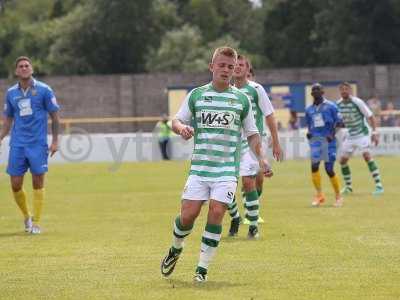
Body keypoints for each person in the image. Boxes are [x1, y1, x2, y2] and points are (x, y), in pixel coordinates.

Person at [160, 47, 272, 283]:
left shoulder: (241, 99)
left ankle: (202, 269)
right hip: (200, 169)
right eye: (221, 65)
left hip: (226, 170)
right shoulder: (197, 95)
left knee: (217, 212)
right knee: (188, 216)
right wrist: (182, 129)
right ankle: (175, 248)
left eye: (230, 67)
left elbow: (252, 134)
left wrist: (261, 158)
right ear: (212, 67)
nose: (226, 70)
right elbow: (176, 120)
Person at [0, 56, 60, 234]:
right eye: (21, 66)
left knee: (37, 181)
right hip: (18, 144)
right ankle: (27, 217)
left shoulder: (44, 90)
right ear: (17, 71)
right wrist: (2, 135)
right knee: (15, 184)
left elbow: (55, 116)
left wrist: (55, 141)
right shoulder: (11, 93)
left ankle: (37, 223)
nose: (24, 68)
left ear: (32, 69)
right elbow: (9, 118)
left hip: (38, 144)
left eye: (27, 65)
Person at [227, 54, 282, 238]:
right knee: (224, 183)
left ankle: (252, 226)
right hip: (231, 142)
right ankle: (235, 217)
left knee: (251, 181)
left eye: (242, 65)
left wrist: (276, 142)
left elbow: (269, 115)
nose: (238, 67)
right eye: (236, 64)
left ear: (248, 69)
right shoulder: (227, 90)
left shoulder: (256, 89)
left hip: (254, 140)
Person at [337, 82, 384, 195]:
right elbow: (339, 122)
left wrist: (375, 132)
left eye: (346, 89)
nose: (344, 91)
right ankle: (348, 187)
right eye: (342, 89)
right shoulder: (338, 104)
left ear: (350, 90)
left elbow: (370, 116)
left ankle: (379, 186)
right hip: (350, 135)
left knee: (366, 155)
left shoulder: (357, 102)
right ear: (340, 91)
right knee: (342, 161)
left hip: (362, 133)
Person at [305, 83, 343, 207]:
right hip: (316, 142)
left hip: (329, 141)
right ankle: (319, 195)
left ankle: (338, 196)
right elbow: (310, 125)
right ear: (311, 94)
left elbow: (340, 123)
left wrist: (332, 134)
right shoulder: (309, 110)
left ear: (323, 92)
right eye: (313, 90)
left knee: (329, 169)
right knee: (314, 166)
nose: (315, 92)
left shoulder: (331, 106)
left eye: (318, 89)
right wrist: (309, 133)